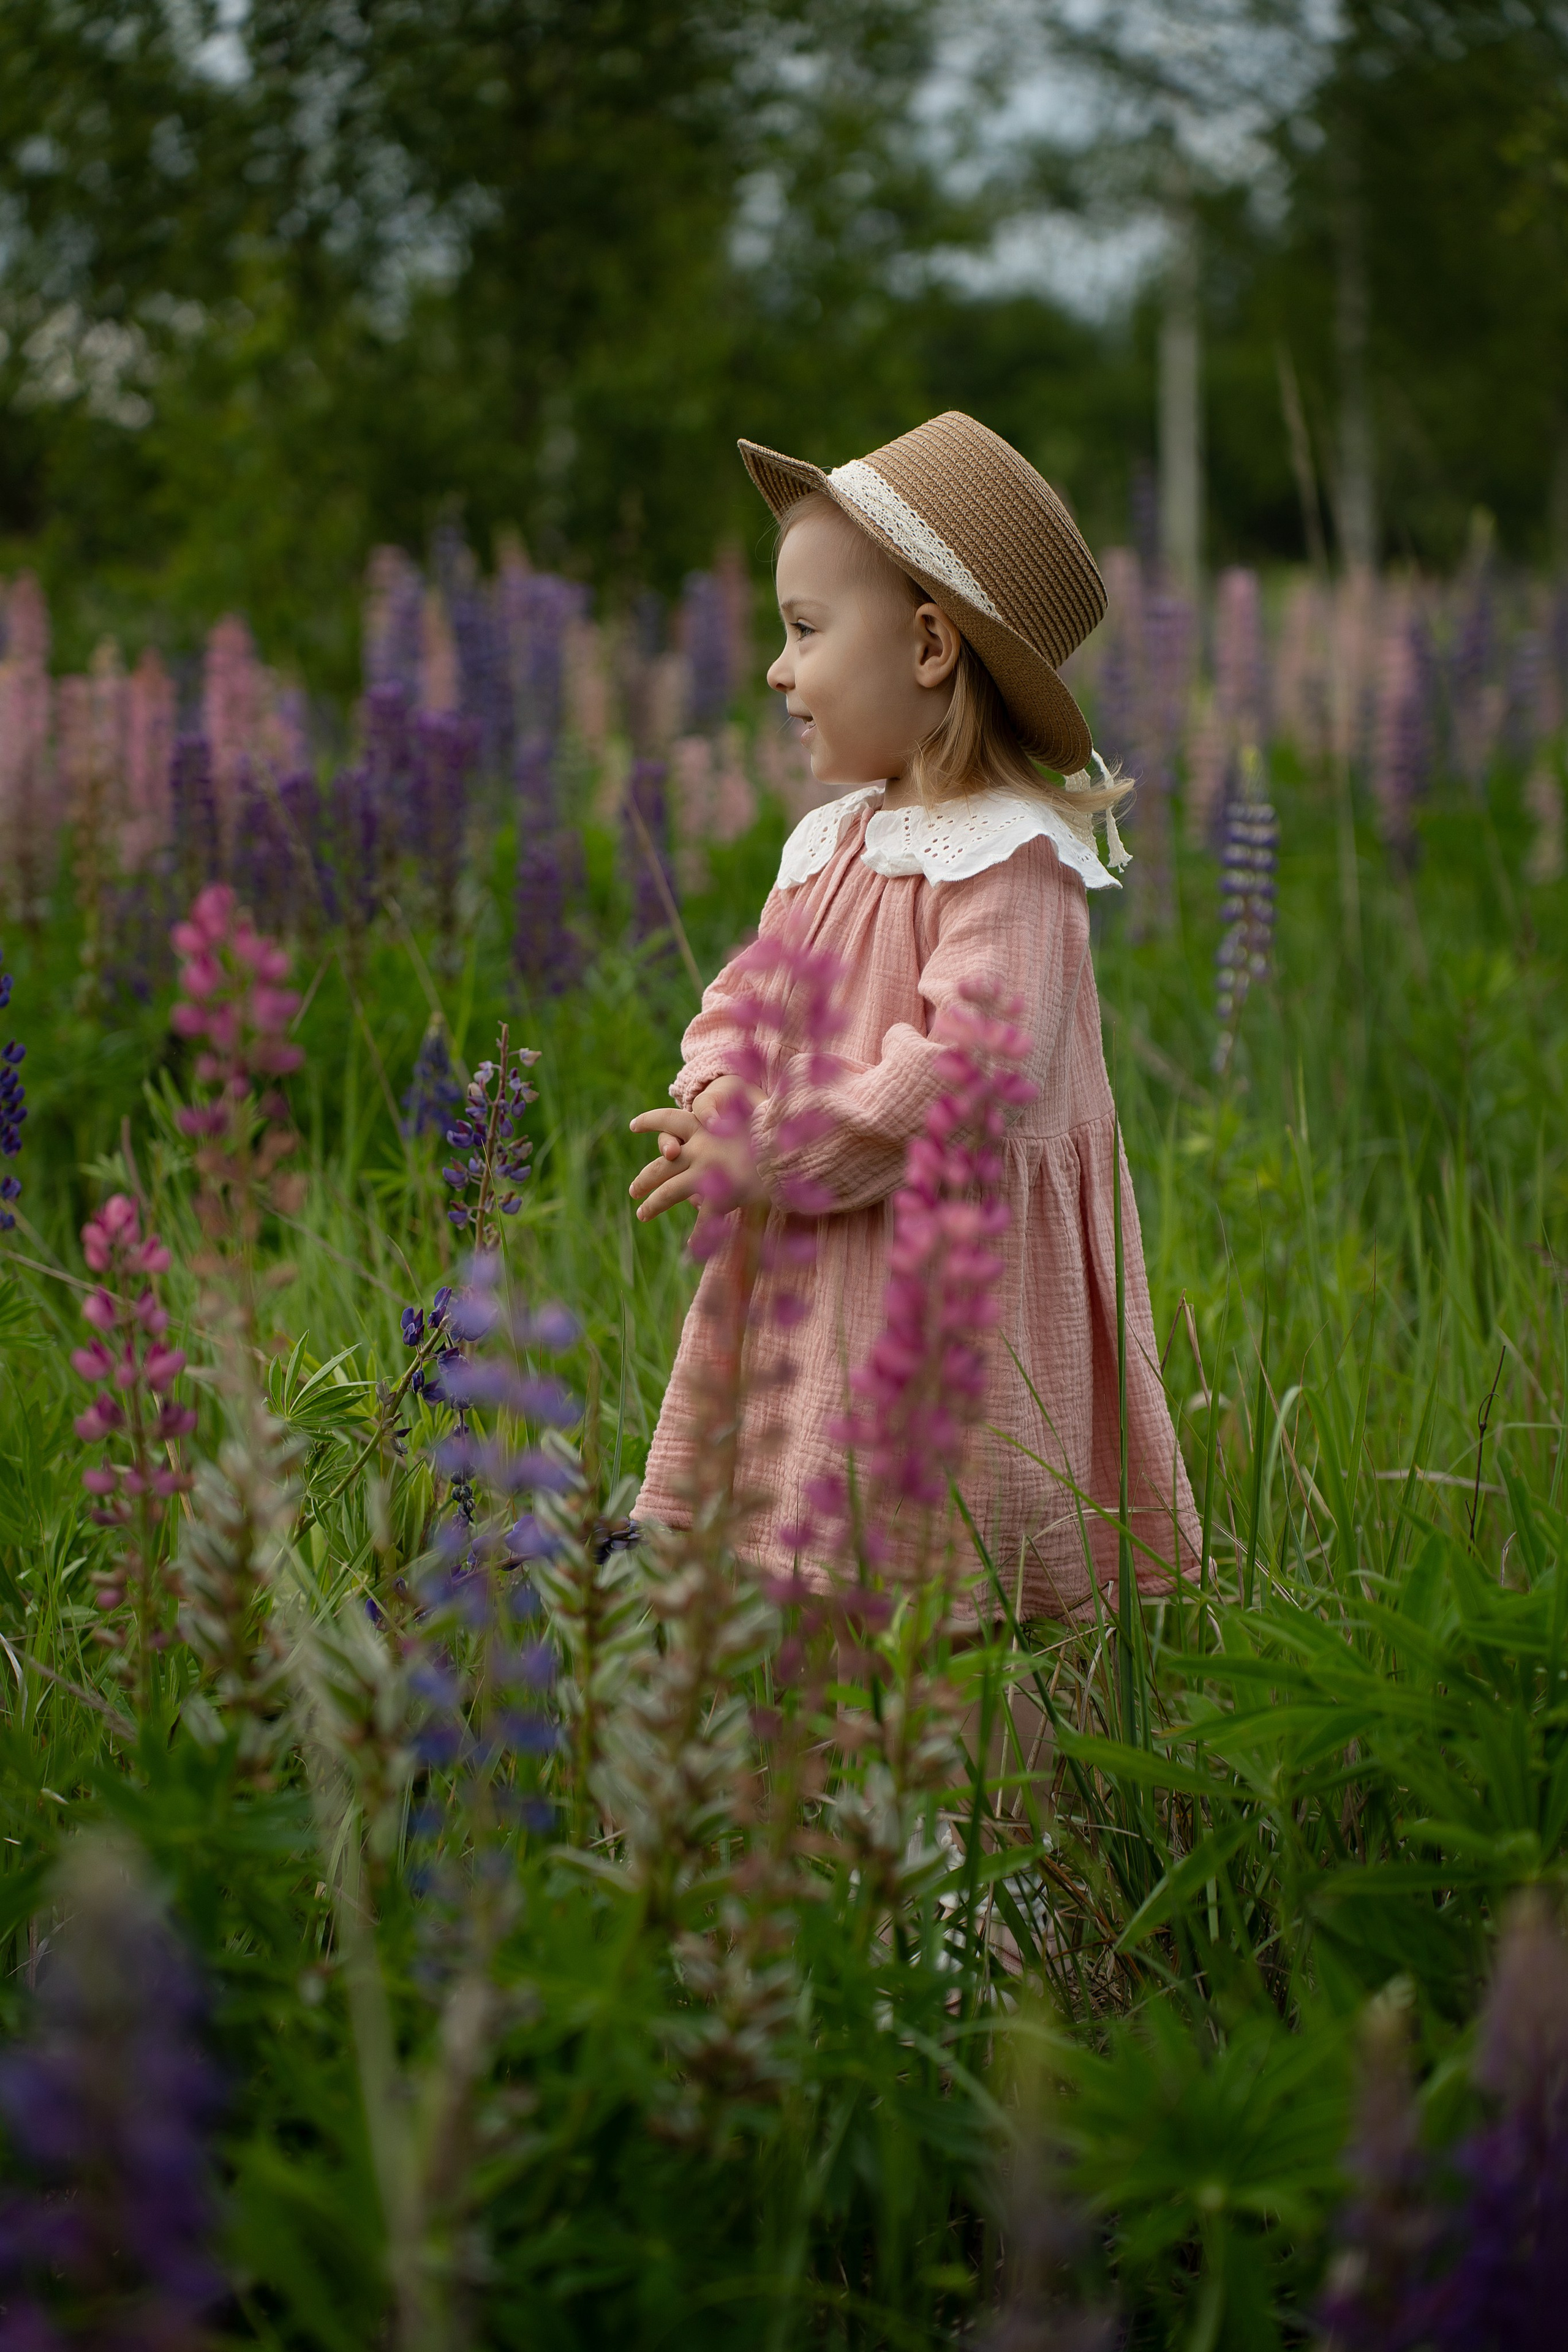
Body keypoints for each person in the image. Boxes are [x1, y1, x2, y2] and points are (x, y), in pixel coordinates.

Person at [627, 411, 1199, 1618]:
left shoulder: (1013, 862)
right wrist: (721, 1083)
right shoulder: (833, 837)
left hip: (949, 1294)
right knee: (814, 1572)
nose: (777, 670)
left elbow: (957, 1078)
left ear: (930, 646)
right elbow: (750, 988)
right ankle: (837, 1800)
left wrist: (769, 1148)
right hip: (821, 1250)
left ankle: (1007, 1805)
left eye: (802, 630)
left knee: (956, 1603)